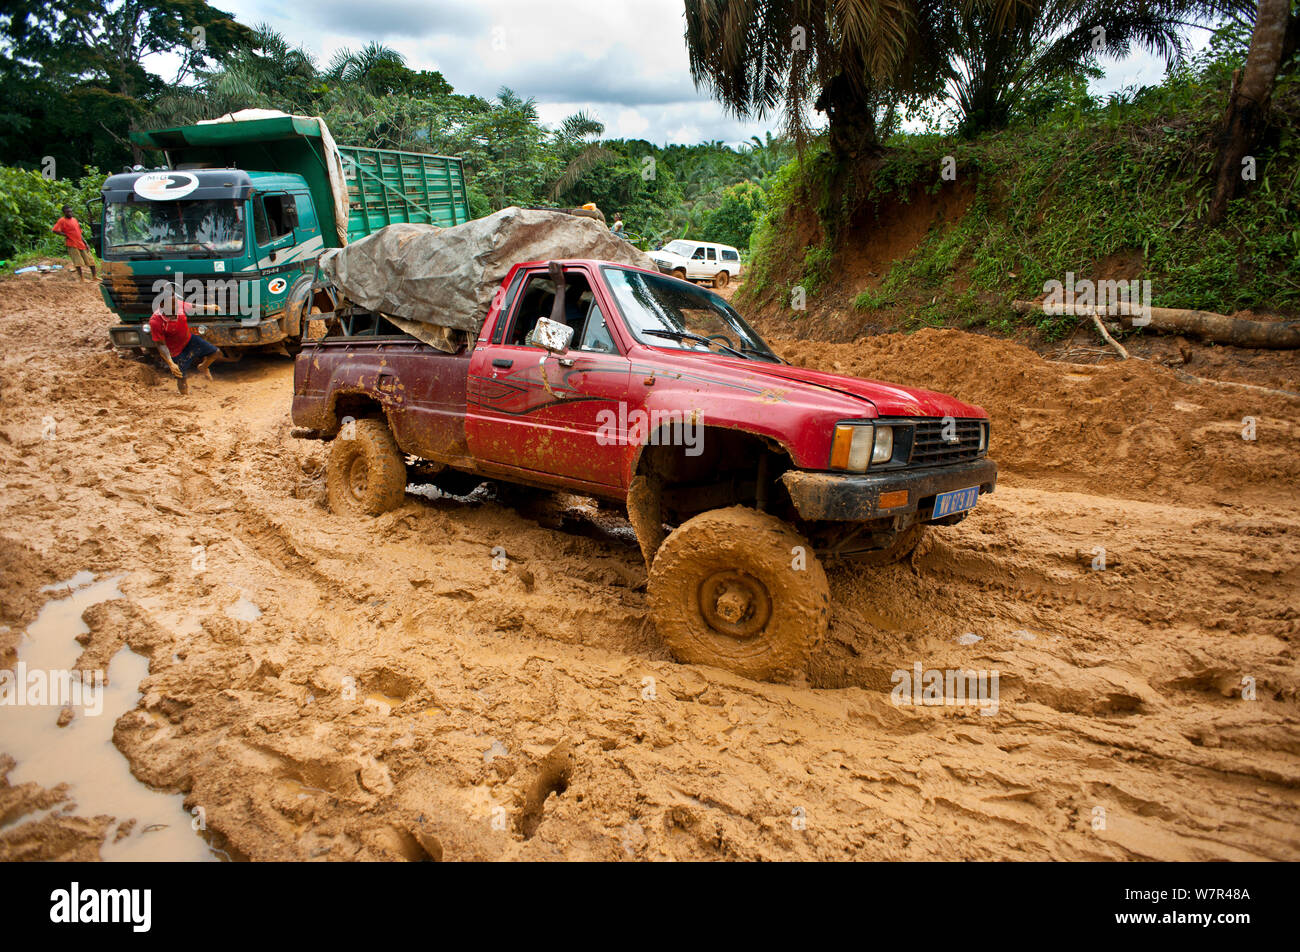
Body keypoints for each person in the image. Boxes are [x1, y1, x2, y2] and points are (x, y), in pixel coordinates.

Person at [149, 283, 221, 394]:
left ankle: (202, 367)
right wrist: (170, 363)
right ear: (162, 305)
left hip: (189, 340)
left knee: (215, 352)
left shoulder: (177, 304)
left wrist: (209, 307)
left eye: (176, 304)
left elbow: (191, 306)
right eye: (173, 306)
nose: (177, 308)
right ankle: (185, 397)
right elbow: (161, 344)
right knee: (181, 378)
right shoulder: (155, 321)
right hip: (175, 351)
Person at [51, 205, 97, 281]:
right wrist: (65, 235)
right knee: (77, 262)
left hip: (80, 243)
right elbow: (55, 230)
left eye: (71, 211)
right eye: (68, 212)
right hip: (72, 244)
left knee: (91, 260)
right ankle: (81, 278)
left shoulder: (74, 220)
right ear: (64, 213)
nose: (70, 213)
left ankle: (94, 277)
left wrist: (86, 243)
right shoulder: (62, 220)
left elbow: (79, 233)